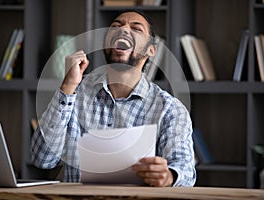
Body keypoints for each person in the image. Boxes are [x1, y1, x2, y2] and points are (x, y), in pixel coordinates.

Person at [31, 10, 196, 187]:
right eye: (115, 26)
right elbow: (42, 159)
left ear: (151, 50)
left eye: (136, 28)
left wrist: (169, 176)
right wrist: (67, 87)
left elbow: (185, 171)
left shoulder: (170, 109)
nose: (123, 30)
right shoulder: (73, 92)